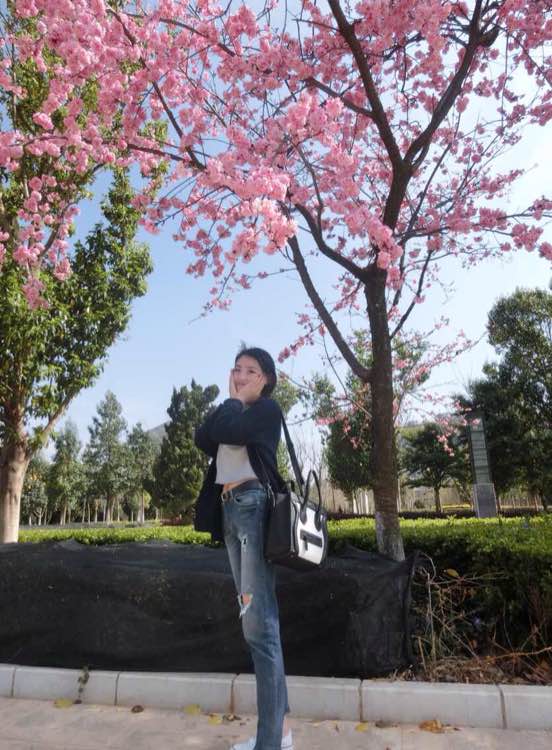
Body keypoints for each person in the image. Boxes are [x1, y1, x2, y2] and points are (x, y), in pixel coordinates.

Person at [194, 346, 293, 750]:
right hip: (230, 510)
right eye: (236, 369)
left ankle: (270, 743)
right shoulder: (231, 412)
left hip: (252, 507)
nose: (241, 375)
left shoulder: (266, 411)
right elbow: (204, 437)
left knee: (259, 626)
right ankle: (280, 734)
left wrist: (234, 402)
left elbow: (231, 433)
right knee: (257, 622)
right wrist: (231, 400)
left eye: (250, 370)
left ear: (266, 379)